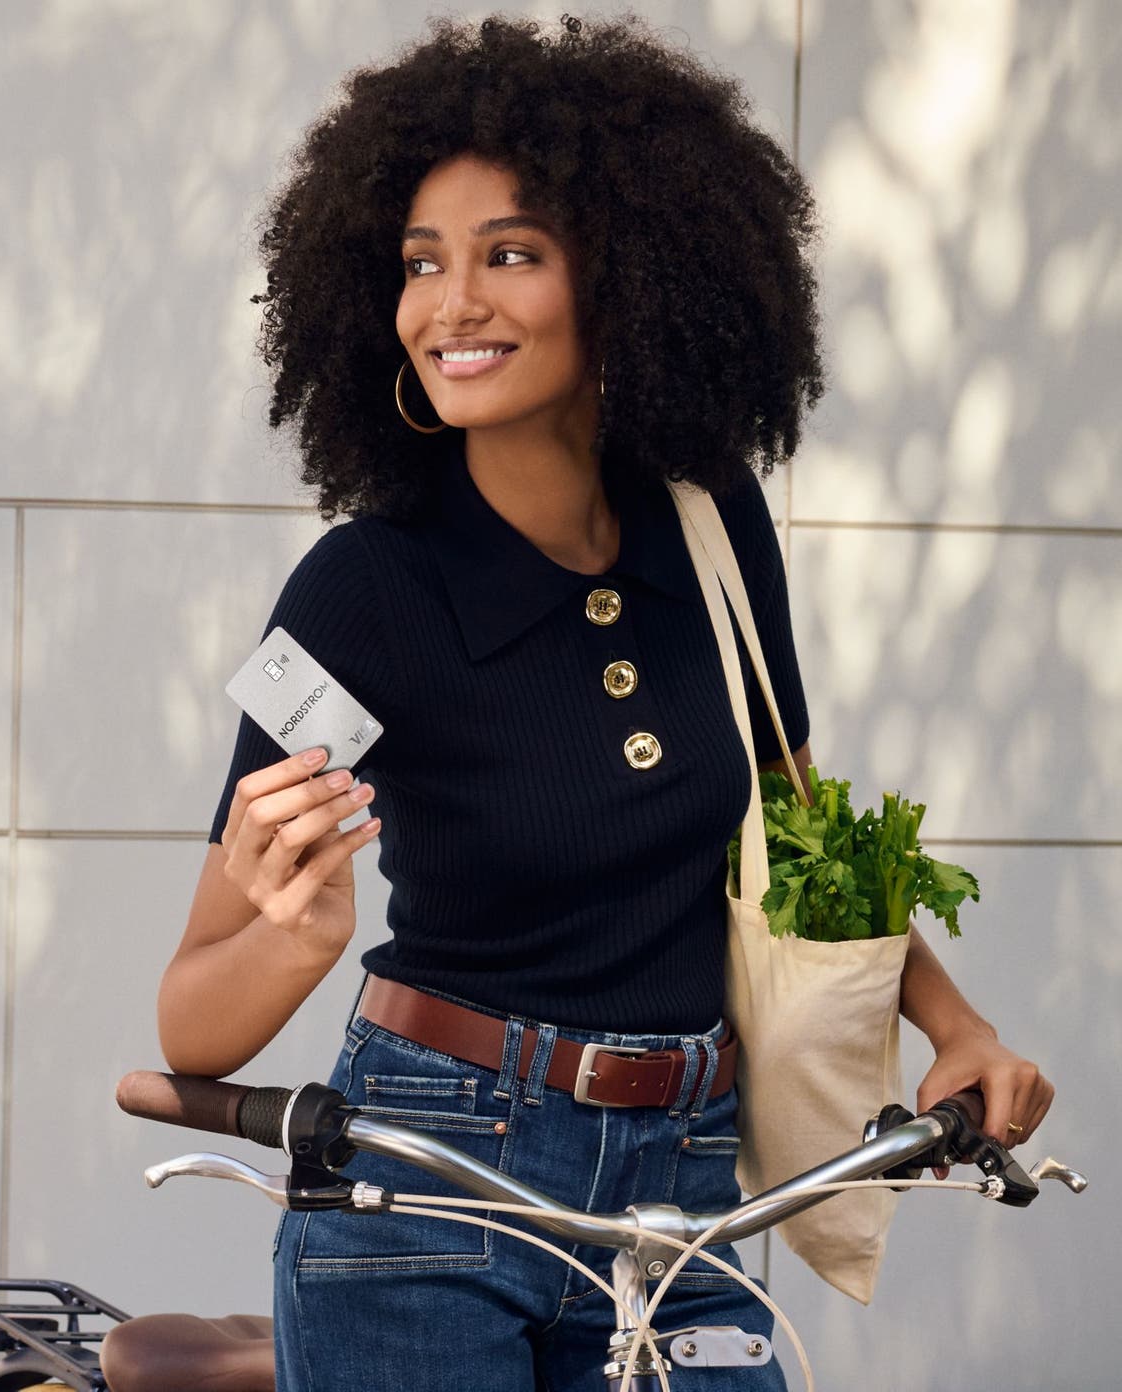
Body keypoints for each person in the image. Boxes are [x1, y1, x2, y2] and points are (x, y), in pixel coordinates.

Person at [156, 14, 1053, 1390]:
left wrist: (960, 1026)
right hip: (429, 1182)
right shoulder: (363, 596)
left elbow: (799, 834)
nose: (452, 305)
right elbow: (192, 1022)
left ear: (626, 274)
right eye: (419, 264)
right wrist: (298, 937)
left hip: (684, 1180)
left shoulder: (708, 521)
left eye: (509, 253)